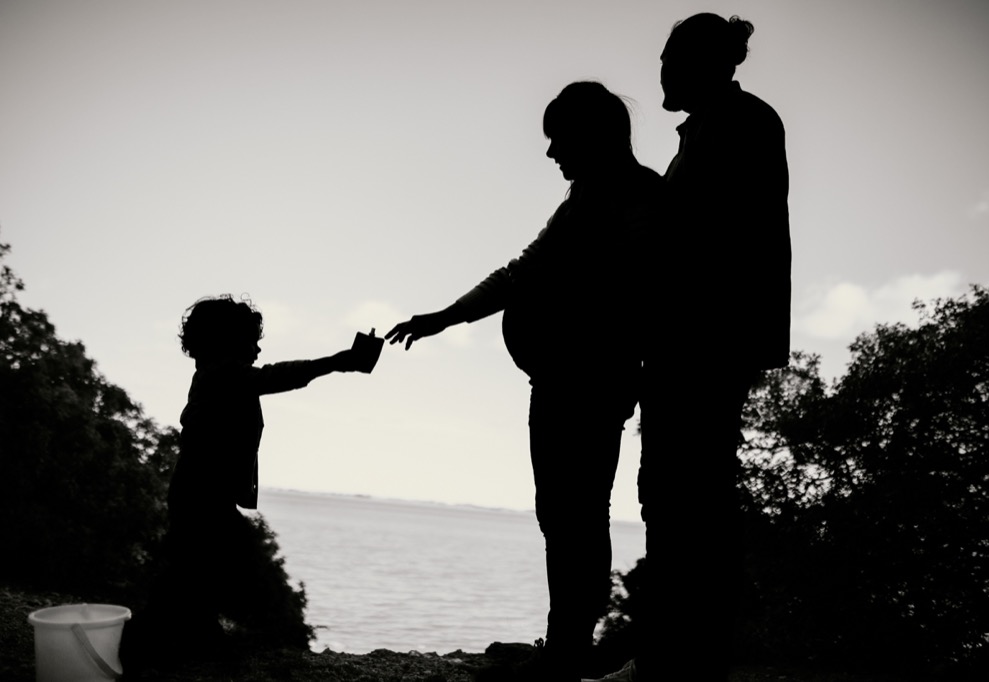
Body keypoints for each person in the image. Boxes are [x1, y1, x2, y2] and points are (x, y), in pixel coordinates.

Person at [386, 82, 664, 682]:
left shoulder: (639, 199)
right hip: (559, 381)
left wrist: (573, 324)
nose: (550, 154)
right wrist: (445, 317)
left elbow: (634, 292)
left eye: (558, 140)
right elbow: (521, 272)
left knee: (579, 513)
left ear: (590, 135)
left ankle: (566, 650)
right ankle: (562, 641)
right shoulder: (581, 201)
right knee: (561, 515)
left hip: (590, 385)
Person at [586, 13, 791, 682]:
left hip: (704, 344)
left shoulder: (738, 127)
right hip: (696, 342)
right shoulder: (712, 130)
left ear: (704, 64)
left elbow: (706, 244)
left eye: (672, 61)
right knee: (681, 496)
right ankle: (678, 655)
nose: (663, 73)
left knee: (686, 499)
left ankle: (678, 659)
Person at [122, 295, 383, 668]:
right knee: (196, 572)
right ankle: (143, 649)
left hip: (205, 496)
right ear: (226, 340)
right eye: (251, 339)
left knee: (195, 573)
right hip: (202, 498)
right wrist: (338, 362)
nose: (258, 347)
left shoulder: (219, 377)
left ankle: (188, 641)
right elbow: (276, 376)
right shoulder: (222, 376)